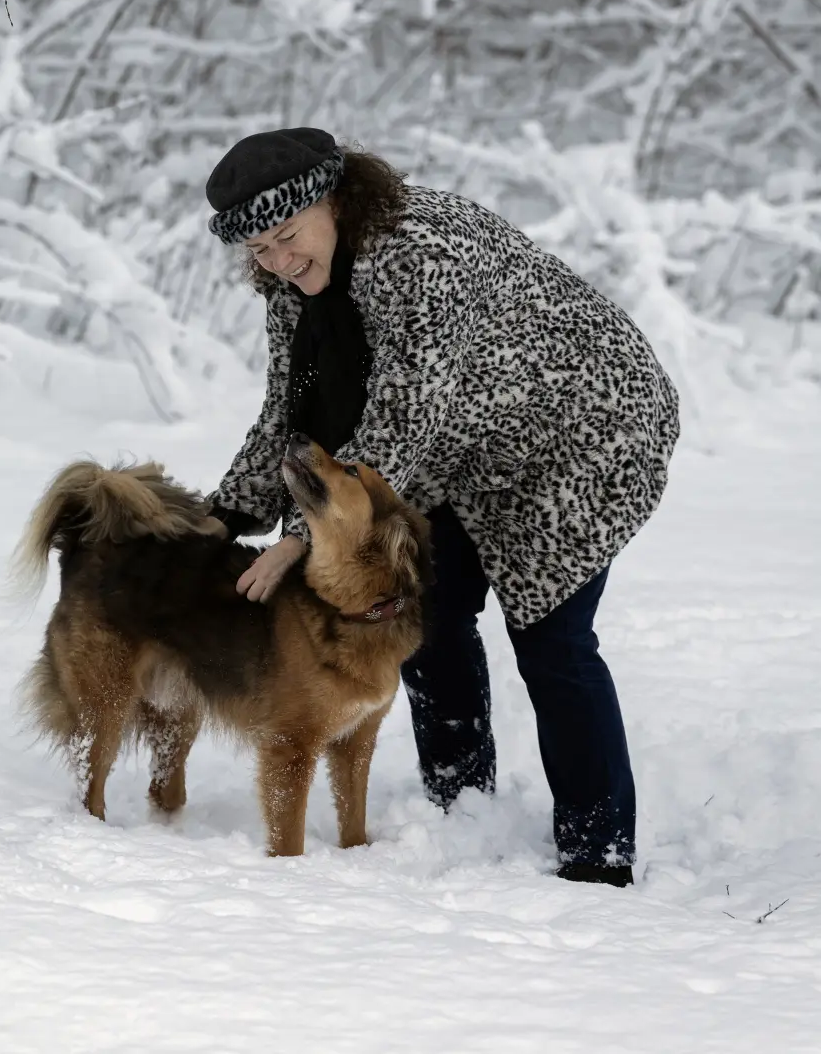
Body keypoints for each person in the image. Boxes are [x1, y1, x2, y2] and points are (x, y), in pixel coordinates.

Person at [204, 128, 679, 887]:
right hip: (458, 451)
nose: (279, 260)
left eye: (287, 236)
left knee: (553, 640)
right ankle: (460, 807)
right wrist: (221, 518)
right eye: (258, 249)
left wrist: (299, 535)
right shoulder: (294, 285)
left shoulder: (422, 254)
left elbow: (401, 418)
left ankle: (599, 855)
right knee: (421, 616)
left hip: (579, 432)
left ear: (335, 201)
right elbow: (288, 417)